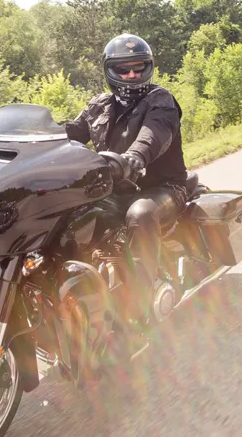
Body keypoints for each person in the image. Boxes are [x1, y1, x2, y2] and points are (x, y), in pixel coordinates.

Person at [64, 33, 188, 322]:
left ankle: (139, 303)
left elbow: (154, 134)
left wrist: (134, 157)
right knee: (69, 216)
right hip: (114, 189)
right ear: (110, 71)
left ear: (148, 67)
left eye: (138, 67)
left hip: (163, 188)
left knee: (140, 214)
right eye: (123, 69)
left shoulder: (161, 100)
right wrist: (31, 139)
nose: (131, 75)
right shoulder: (98, 106)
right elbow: (68, 133)